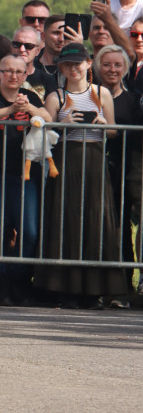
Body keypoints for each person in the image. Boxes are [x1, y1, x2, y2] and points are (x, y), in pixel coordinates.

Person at [36, 42, 128, 309]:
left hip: (96, 161)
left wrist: (102, 124)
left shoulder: (102, 94)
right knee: (66, 219)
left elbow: (113, 132)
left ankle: (97, 290)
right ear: (61, 68)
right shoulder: (56, 97)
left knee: (98, 221)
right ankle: (63, 289)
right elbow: (46, 133)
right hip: (67, 161)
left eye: (77, 63)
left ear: (88, 64)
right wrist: (61, 124)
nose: (72, 69)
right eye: (67, 65)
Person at [0, 54, 50, 305]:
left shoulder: (31, 96)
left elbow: (49, 118)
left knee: (29, 229)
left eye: (18, 71)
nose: (13, 76)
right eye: (8, 71)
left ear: (26, 74)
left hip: (24, 173)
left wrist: (28, 108)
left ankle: (20, 280)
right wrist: (10, 110)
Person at [93, 44, 140, 307]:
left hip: (122, 169)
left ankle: (123, 285)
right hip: (92, 167)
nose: (112, 69)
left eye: (117, 65)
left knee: (121, 228)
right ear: (98, 67)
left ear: (125, 68)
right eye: (107, 64)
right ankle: (95, 285)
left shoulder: (132, 100)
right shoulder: (87, 95)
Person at [11, 26, 57, 103]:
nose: (22, 49)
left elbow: (51, 113)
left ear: (37, 51)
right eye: (17, 44)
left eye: (28, 46)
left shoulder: (48, 80)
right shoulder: (0, 77)